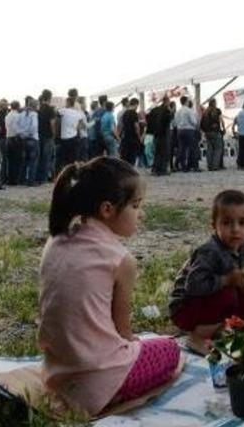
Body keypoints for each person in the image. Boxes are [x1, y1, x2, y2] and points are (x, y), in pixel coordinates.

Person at [39, 156, 181, 417]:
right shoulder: (119, 260)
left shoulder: (56, 240)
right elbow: (123, 332)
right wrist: (138, 346)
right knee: (172, 350)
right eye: (136, 206)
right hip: (98, 380)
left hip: (57, 372)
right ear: (107, 209)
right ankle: (114, 395)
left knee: (149, 341)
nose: (142, 214)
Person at [169, 190, 244, 354]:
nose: (235, 229)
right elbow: (193, 286)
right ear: (214, 225)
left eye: (242, 222)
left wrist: (242, 286)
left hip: (205, 303)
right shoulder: (210, 252)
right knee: (228, 292)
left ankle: (226, 327)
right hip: (184, 309)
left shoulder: (242, 246)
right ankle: (198, 337)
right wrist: (227, 280)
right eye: (227, 223)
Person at [56, 96, 85, 175]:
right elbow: (81, 126)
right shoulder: (78, 114)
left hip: (64, 138)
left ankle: (62, 174)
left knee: (63, 159)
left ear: (68, 103)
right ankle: (71, 174)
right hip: (74, 137)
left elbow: (56, 112)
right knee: (72, 159)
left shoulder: (63, 111)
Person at [147, 98, 173, 175]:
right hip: (164, 134)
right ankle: (162, 170)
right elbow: (169, 120)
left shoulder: (154, 110)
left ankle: (155, 169)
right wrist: (171, 112)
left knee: (157, 152)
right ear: (167, 102)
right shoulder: (166, 110)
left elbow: (148, 117)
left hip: (156, 134)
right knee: (164, 152)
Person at [173, 97, 199, 171]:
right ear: (186, 102)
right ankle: (194, 166)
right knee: (192, 149)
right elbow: (193, 121)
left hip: (180, 130)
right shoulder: (189, 111)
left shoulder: (178, 111)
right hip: (189, 130)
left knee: (182, 149)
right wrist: (196, 124)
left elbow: (175, 122)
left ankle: (182, 166)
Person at [37, 89, 57, 183]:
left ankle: (39, 177)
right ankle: (44, 178)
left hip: (39, 135)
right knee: (47, 158)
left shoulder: (39, 108)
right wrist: (54, 134)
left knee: (40, 157)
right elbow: (52, 123)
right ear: (50, 97)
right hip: (48, 136)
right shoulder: (50, 109)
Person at [200, 98, 225, 171]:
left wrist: (204, 131)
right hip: (215, 132)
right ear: (215, 103)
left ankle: (209, 166)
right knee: (218, 149)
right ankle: (215, 165)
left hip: (207, 133)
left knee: (209, 149)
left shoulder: (205, 112)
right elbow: (221, 120)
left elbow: (201, 124)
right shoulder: (217, 111)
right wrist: (223, 128)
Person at [5, 100, 25, 186]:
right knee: (17, 160)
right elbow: (18, 129)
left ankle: (10, 179)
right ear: (17, 107)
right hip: (16, 139)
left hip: (8, 138)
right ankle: (16, 179)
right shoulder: (17, 116)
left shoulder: (7, 115)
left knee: (10, 161)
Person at [21, 97, 40, 185]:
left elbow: (19, 125)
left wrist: (23, 134)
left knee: (25, 161)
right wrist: (30, 133)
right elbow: (34, 126)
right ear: (35, 106)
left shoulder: (23, 114)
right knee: (33, 161)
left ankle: (22, 179)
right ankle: (31, 181)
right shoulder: (34, 114)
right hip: (33, 138)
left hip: (24, 139)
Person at [119, 98, 141, 166]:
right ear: (136, 104)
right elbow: (136, 127)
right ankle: (131, 173)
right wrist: (139, 137)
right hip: (133, 139)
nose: (137, 107)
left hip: (125, 138)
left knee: (126, 159)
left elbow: (122, 126)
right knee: (132, 157)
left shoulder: (125, 113)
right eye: (137, 105)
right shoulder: (134, 113)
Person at [0, 98, 10, 185]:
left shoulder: (0, 112)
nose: (7, 106)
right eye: (5, 105)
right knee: (5, 159)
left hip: (2, 138)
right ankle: (3, 178)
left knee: (4, 159)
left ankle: (3, 177)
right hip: (3, 137)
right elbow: (3, 123)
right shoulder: (0, 112)